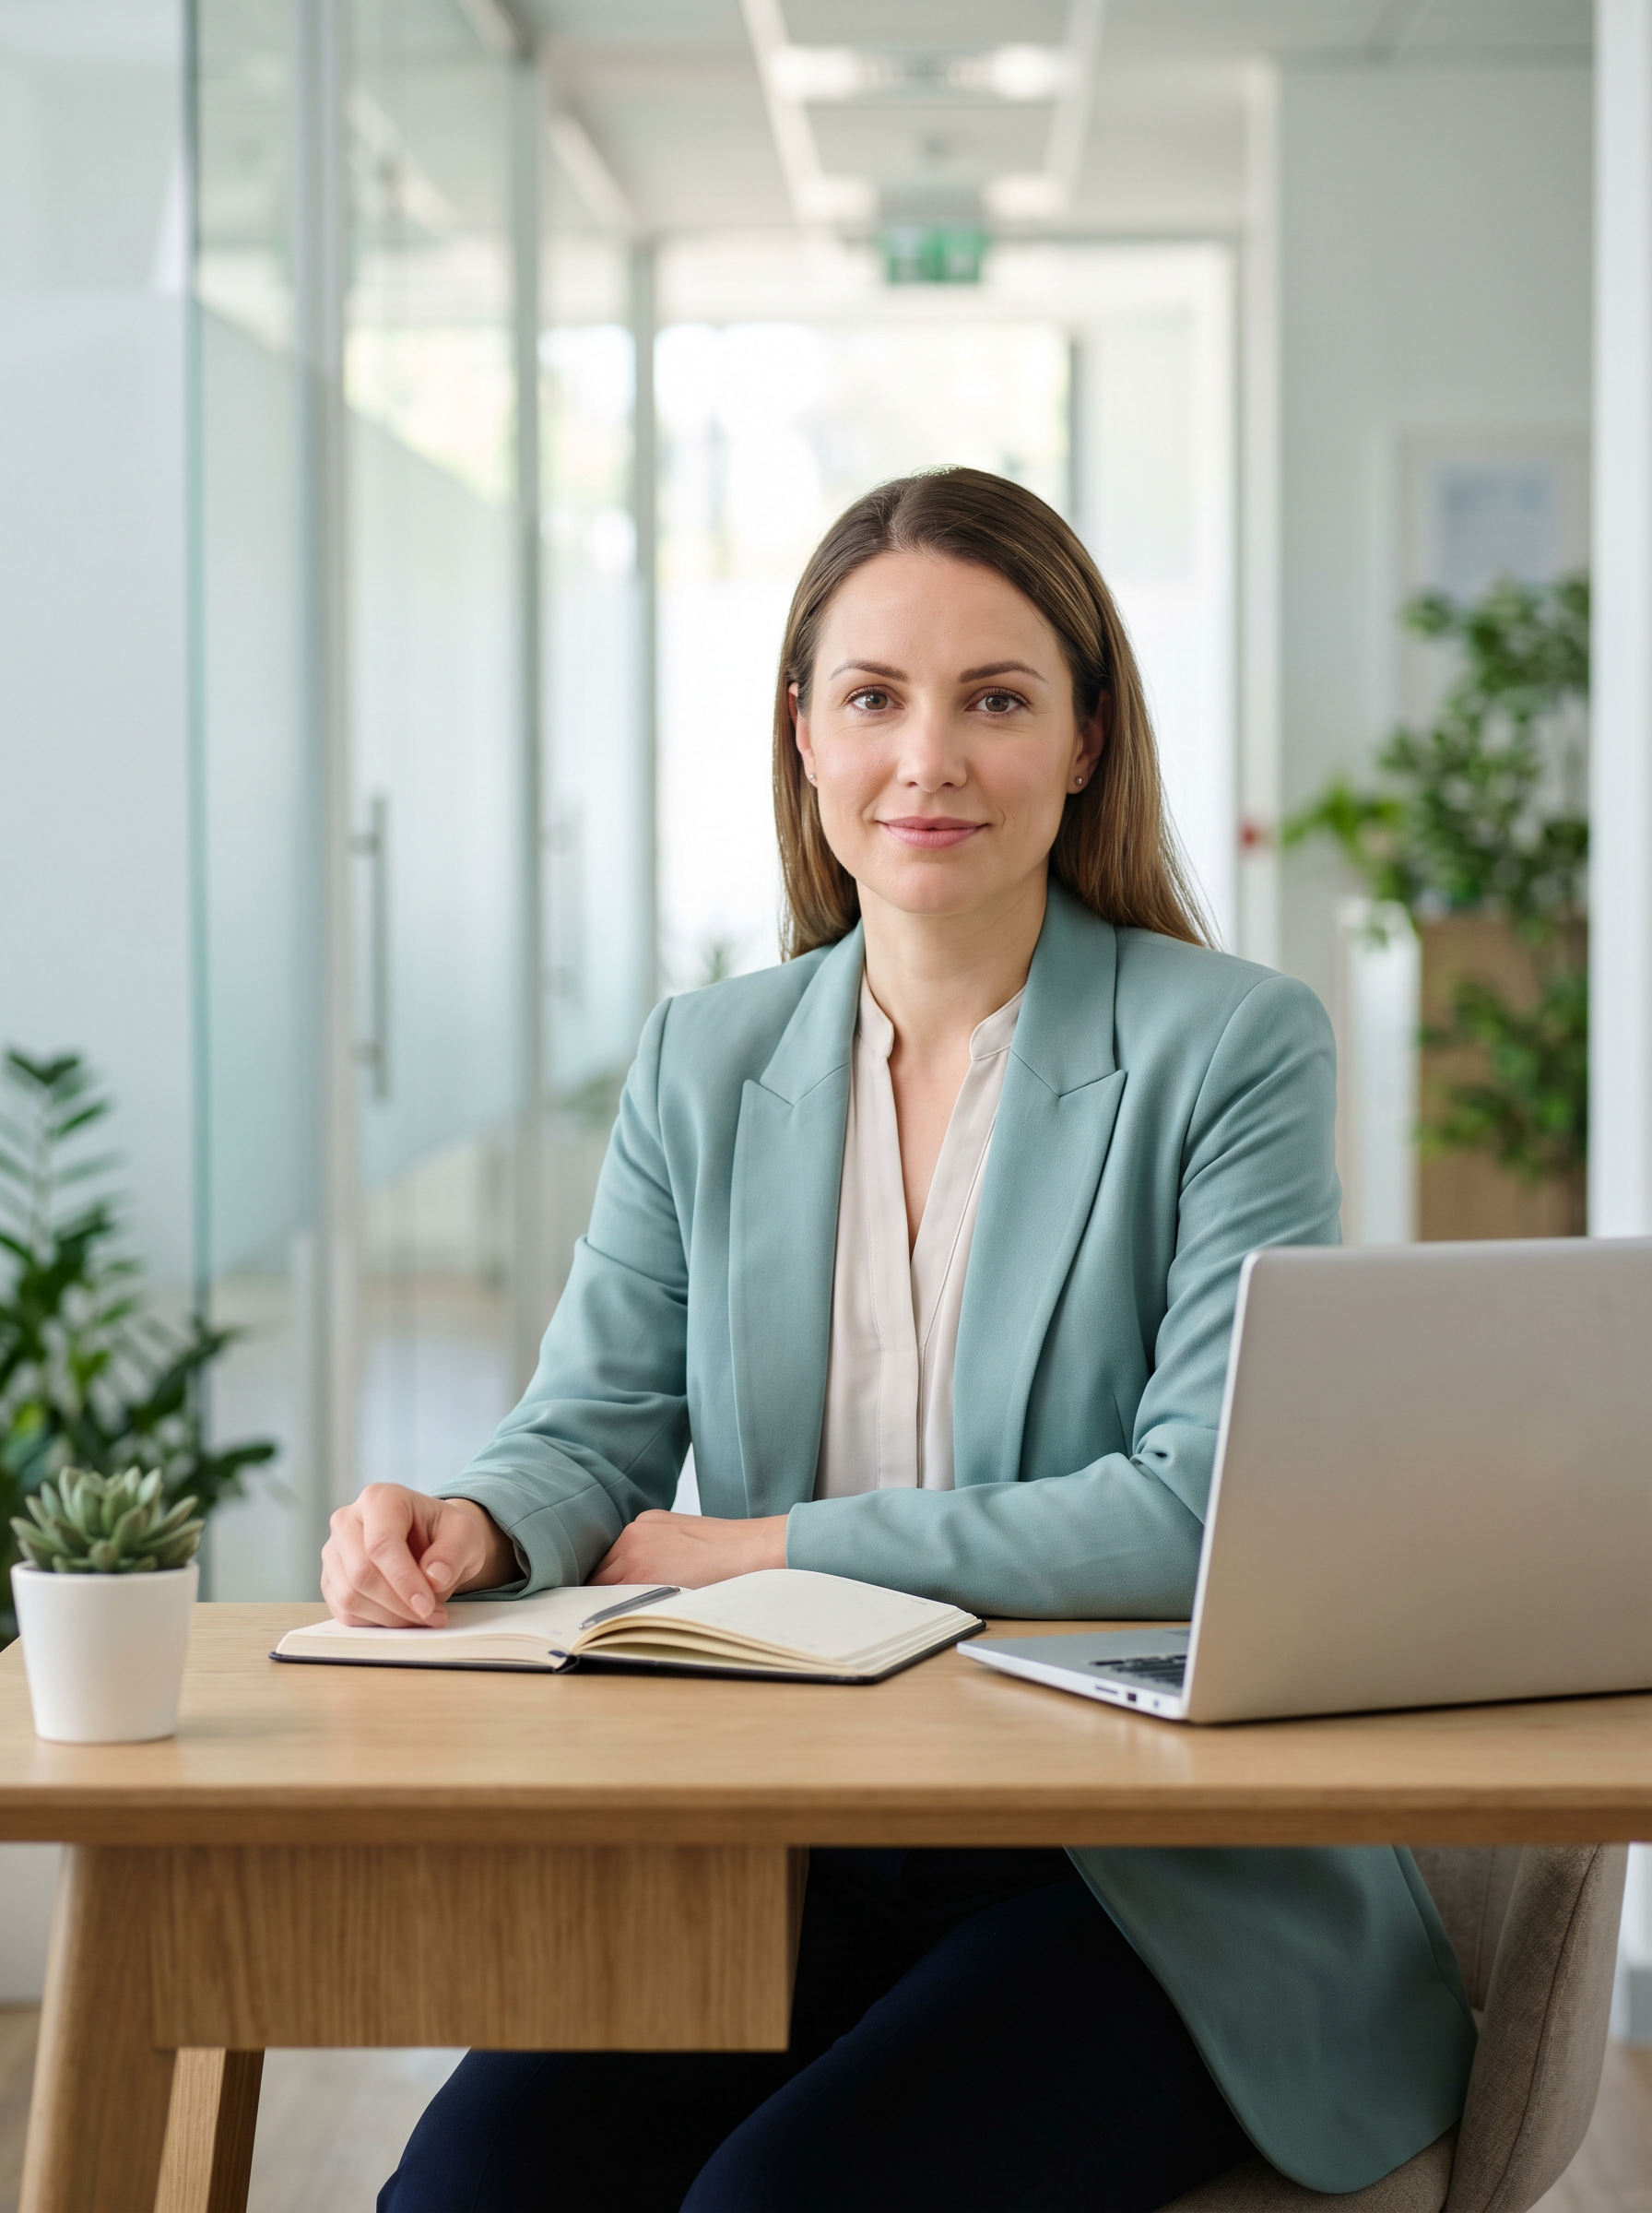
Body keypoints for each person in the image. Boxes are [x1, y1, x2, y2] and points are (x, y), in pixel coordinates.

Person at [324, 468, 1477, 2213]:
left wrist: (770, 1551)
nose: (927, 761)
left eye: (995, 700)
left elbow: (1194, 1513)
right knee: (466, 2193)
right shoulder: (703, 1060)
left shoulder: (1231, 1046)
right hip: (785, 1847)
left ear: (1086, 739)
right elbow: (595, 1423)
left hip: (1136, 1884)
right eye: (874, 698)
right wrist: (477, 1523)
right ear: (805, 734)